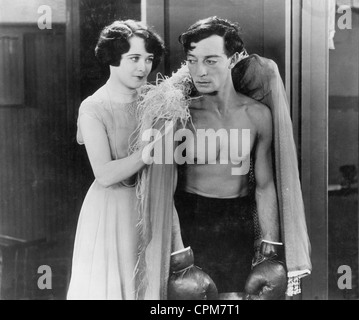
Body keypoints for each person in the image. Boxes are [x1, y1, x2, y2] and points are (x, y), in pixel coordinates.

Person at [171, 17, 311, 299]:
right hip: (190, 219)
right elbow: (163, 191)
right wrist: (177, 252)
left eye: (211, 60)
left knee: (233, 300)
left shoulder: (258, 115)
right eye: (192, 60)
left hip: (237, 222)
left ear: (233, 59)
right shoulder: (179, 115)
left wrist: (271, 250)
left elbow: (265, 184)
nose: (200, 71)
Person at [67, 20, 183, 300]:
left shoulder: (155, 100)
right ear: (112, 59)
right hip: (111, 214)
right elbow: (105, 174)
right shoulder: (93, 107)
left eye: (148, 59)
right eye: (134, 58)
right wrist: (146, 154)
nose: (143, 68)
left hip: (151, 208)